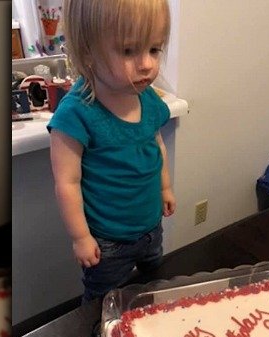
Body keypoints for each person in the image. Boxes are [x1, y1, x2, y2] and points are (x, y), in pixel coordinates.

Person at [48, 0, 175, 304]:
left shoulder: (147, 97)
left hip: (151, 227)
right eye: (129, 51)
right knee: (102, 305)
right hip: (107, 243)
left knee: (152, 292)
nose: (147, 64)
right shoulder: (76, 113)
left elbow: (156, 144)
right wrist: (80, 237)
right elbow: (67, 183)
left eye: (154, 49)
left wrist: (165, 187)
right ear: (88, 52)